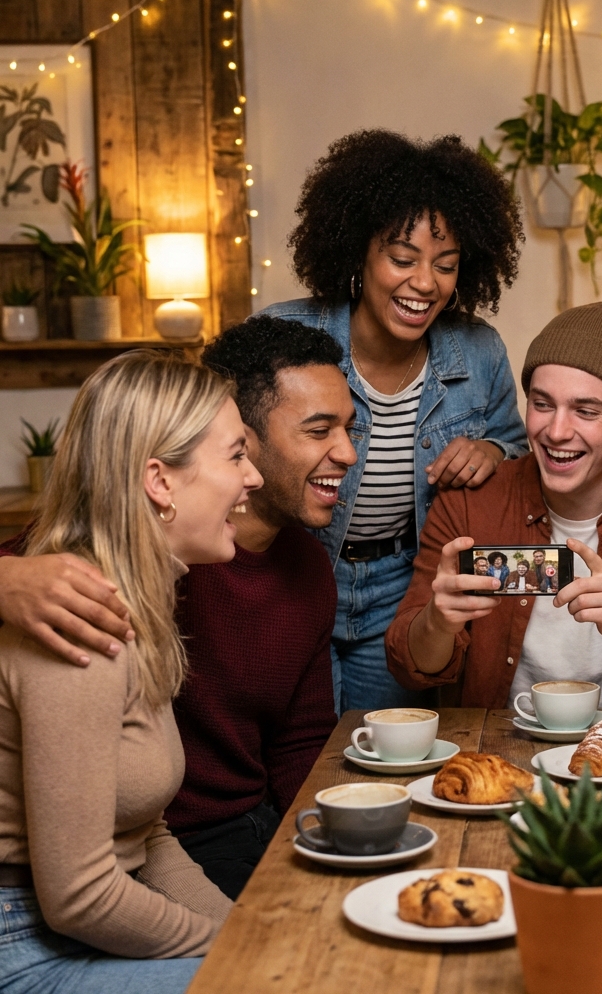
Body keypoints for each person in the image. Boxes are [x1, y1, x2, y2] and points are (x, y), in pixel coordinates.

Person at [0, 318, 350, 901]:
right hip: (156, 851)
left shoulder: (303, 568)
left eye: (348, 427)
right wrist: (4, 578)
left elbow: (299, 743)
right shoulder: (103, 573)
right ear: (248, 439)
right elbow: (87, 887)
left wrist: (335, 841)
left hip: (229, 831)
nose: (348, 451)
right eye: (319, 430)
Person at [0, 351, 262, 994]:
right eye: (234, 455)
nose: (253, 477)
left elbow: (147, 836)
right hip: (22, 943)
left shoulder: (136, 606)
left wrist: (247, 934)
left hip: (75, 929)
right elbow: (80, 897)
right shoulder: (80, 624)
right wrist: (242, 954)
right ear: (160, 482)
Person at [263, 129, 529, 713]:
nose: (425, 283)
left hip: (403, 587)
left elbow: (519, 453)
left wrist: (493, 452)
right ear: (360, 252)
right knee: (306, 764)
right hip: (291, 580)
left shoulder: (479, 353)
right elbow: (218, 455)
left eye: (446, 265)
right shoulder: (285, 337)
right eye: (402, 258)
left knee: (384, 755)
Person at [385, 302, 602, 713]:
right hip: (499, 753)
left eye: (585, 411)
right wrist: (437, 623)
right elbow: (408, 668)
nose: (557, 431)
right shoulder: (469, 502)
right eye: (543, 404)